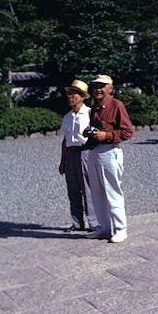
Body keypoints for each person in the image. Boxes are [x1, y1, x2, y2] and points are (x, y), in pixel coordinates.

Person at [85, 74, 134, 243]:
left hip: (110, 150)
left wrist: (106, 135)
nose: (97, 89)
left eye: (102, 86)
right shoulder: (95, 106)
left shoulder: (116, 105)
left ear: (110, 88)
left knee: (113, 191)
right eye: (95, 85)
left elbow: (128, 131)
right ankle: (104, 227)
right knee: (96, 192)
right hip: (95, 151)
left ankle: (121, 229)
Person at [59, 79, 98, 232]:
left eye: (74, 93)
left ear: (82, 96)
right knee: (73, 190)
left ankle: (94, 223)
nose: (70, 96)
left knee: (88, 189)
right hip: (71, 154)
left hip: (85, 153)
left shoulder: (89, 114)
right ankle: (77, 223)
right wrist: (62, 161)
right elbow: (65, 140)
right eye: (69, 93)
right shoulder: (67, 116)